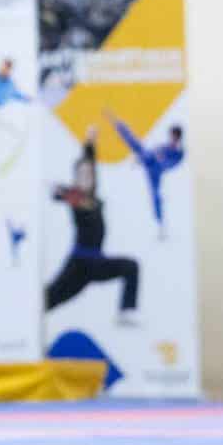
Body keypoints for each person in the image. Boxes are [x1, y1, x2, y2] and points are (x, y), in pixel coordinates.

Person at [44, 125, 140, 326]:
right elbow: (58, 195)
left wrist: (89, 141)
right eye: (81, 175)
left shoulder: (93, 196)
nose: (86, 177)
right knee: (48, 300)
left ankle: (126, 312)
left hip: (96, 263)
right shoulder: (74, 195)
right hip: (79, 265)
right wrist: (61, 192)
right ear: (76, 179)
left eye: (89, 174)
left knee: (131, 266)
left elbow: (89, 162)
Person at [103, 108, 184, 240]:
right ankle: (115, 121)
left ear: (178, 136)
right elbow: (152, 151)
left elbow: (170, 164)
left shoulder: (179, 152)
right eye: (171, 135)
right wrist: (144, 159)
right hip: (150, 162)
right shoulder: (165, 146)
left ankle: (161, 226)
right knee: (135, 143)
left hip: (156, 170)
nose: (172, 137)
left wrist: (158, 160)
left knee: (156, 196)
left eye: (174, 136)